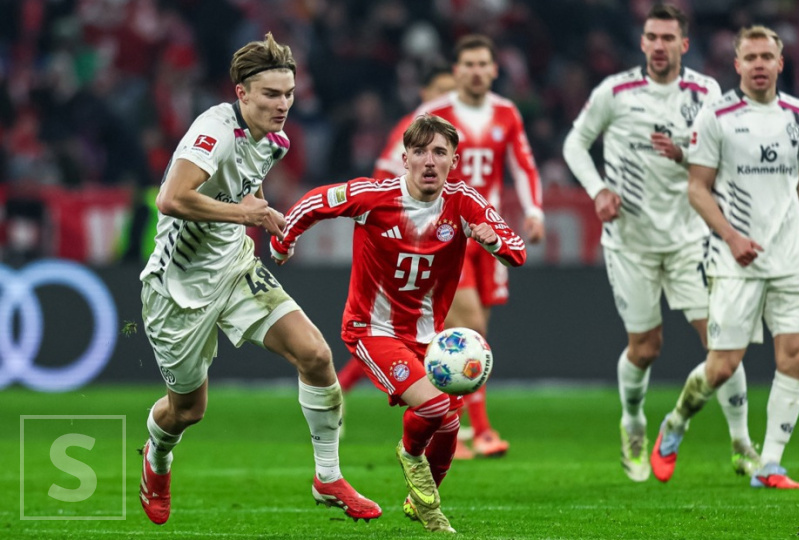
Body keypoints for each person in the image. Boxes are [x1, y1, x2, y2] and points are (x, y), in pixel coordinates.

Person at [137, 33, 381, 525]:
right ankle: (156, 458)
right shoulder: (213, 131)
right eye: (271, 94)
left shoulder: (275, 141)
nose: (283, 104)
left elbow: (246, 190)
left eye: (288, 93)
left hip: (236, 269)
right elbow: (171, 198)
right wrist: (244, 214)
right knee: (187, 411)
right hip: (177, 290)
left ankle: (328, 477)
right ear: (242, 93)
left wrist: (268, 221)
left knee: (315, 355)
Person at [270, 114, 527, 532]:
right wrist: (283, 241)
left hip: (428, 337)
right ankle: (410, 455)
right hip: (372, 329)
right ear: (404, 159)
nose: (429, 161)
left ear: (454, 161)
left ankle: (419, 499)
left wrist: (495, 242)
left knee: (449, 424)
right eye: (420, 151)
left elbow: (517, 250)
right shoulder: (375, 196)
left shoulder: (464, 202)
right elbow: (317, 201)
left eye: (439, 152)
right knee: (434, 406)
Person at [562, 4, 757, 483]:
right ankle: (633, 422)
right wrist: (598, 191)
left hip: (692, 240)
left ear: (684, 45)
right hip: (630, 242)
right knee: (646, 347)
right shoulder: (615, 92)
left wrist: (685, 153)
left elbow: (724, 156)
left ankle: (742, 444)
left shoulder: (706, 93)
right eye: (652, 36)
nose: (659, 45)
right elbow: (574, 144)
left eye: (668, 38)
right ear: (642, 41)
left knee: (723, 342)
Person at [650, 25, 799, 489]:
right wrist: (731, 238)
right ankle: (676, 422)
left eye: (767, 56)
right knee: (723, 365)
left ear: (780, 63)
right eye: (750, 57)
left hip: (791, 255)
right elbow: (697, 188)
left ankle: (770, 464)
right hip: (736, 260)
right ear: (737, 65)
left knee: (796, 357)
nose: (759, 65)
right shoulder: (717, 116)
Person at [414, 34, 545, 459]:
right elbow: (406, 163)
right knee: (468, 327)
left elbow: (523, 165)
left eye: (482, 64)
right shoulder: (434, 114)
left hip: (488, 234)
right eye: (467, 64)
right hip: (446, 233)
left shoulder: (506, 112)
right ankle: (479, 430)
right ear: (456, 71)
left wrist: (534, 211)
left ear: (493, 69)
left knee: (476, 331)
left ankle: (449, 426)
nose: (475, 71)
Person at [336, 62, 456, 393]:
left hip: (441, 238)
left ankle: (346, 385)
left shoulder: (453, 135)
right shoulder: (412, 129)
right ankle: (446, 410)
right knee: (445, 325)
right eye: (442, 91)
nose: (448, 99)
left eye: (452, 92)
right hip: (407, 240)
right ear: (425, 94)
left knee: (422, 327)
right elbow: (382, 181)